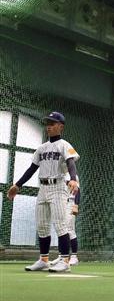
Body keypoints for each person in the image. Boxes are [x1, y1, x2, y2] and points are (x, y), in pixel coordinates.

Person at [7, 111, 80, 273]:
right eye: (48, 123)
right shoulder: (41, 148)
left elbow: (70, 163)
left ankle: (64, 260)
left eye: (52, 123)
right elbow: (32, 169)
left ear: (60, 126)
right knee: (42, 226)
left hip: (58, 187)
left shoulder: (64, 145)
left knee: (61, 225)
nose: (49, 126)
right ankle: (43, 259)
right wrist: (17, 185)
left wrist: (73, 178)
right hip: (43, 188)